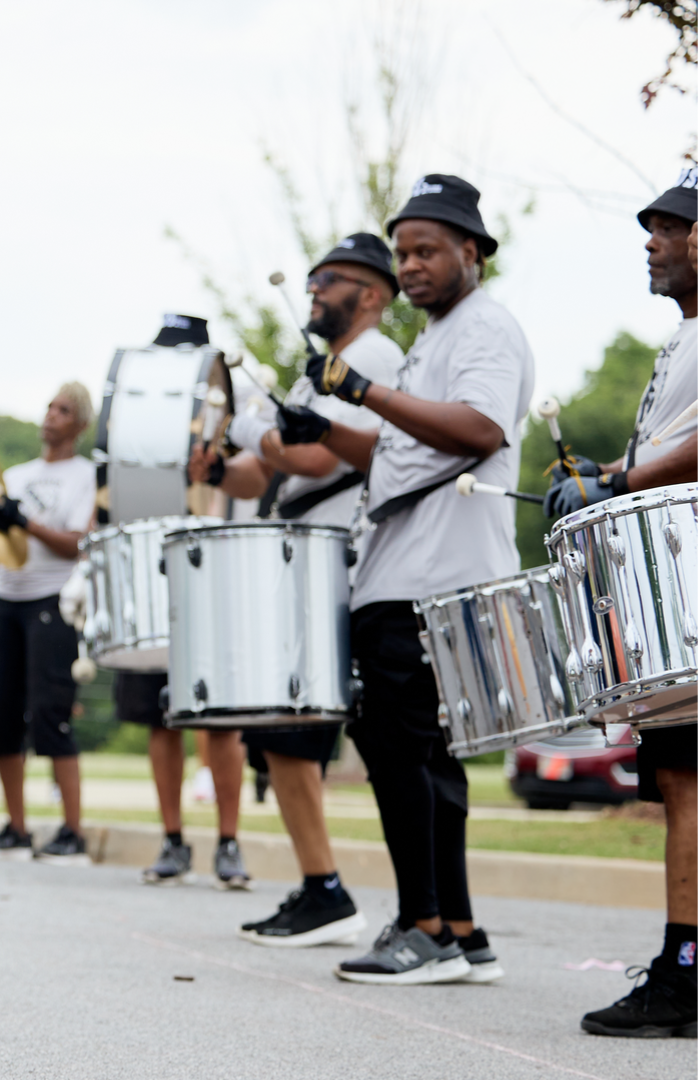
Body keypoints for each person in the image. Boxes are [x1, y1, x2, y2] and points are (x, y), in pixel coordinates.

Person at [280, 174, 532, 985]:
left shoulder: (483, 328)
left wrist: (366, 391)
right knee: (429, 759)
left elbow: (480, 430)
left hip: (431, 573)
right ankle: (460, 928)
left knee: (400, 753)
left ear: (473, 251)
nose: (413, 266)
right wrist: (326, 426)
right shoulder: (437, 338)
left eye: (428, 250)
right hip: (408, 567)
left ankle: (421, 927)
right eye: (404, 251)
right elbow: (401, 454)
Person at [190, 233, 405, 945]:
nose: (313, 289)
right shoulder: (327, 369)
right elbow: (268, 474)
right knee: (283, 733)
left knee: (295, 728)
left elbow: (313, 457)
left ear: (371, 294)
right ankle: (322, 887)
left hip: (333, 554)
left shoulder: (371, 360)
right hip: (303, 551)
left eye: (330, 280)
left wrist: (251, 424)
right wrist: (221, 466)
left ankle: (338, 893)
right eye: (311, 279)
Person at [560, 171, 695, 1038]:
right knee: (683, 780)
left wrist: (617, 479)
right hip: (677, 595)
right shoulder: (683, 341)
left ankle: (685, 974)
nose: (652, 241)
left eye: (672, 228)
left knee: (690, 782)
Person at [109, 317, 251, 889]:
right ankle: (173, 839)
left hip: (217, 566)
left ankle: (228, 841)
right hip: (152, 567)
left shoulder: (231, 408)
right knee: (157, 717)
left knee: (219, 721)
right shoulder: (135, 414)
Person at [0, 383, 96, 863]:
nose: (51, 416)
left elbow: (79, 543)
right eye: (49, 407)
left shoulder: (86, 476)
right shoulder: (17, 475)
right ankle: (16, 828)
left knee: (50, 713)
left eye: (63, 411)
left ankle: (71, 831)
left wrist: (27, 525)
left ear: (79, 424)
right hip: (6, 598)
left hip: (53, 598)